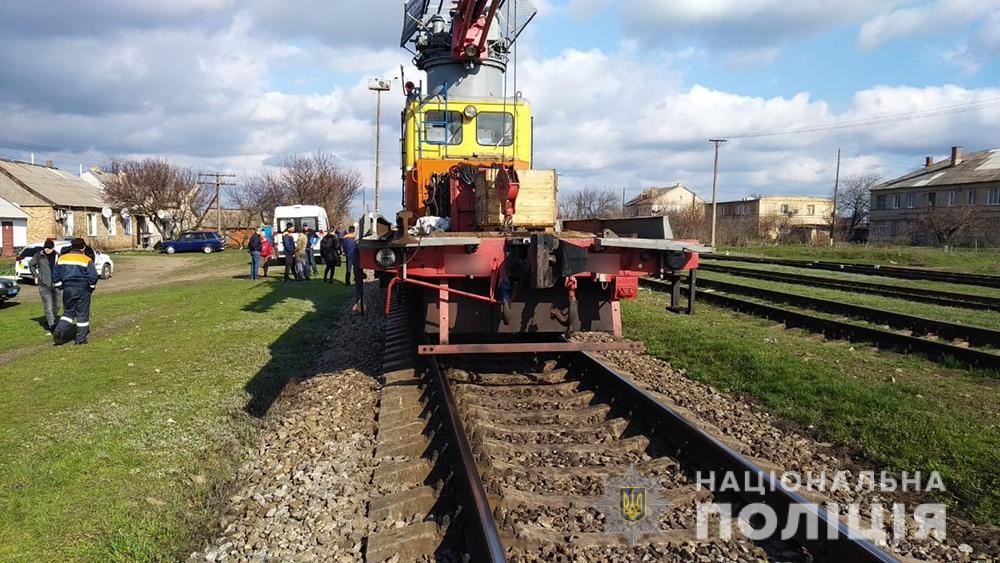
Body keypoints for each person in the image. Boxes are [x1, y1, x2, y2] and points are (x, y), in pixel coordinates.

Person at [52, 238, 98, 345]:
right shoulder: (86, 259)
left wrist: (60, 286)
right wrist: (91, 287)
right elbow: (93, 276)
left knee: (68, 312)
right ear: (83, 247)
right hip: (82, 288)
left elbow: (55, 275)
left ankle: (59, 330)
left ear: (71, 246)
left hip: (68, 288)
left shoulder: (61, 258)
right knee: (82, 314)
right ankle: (80, 339)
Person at [28, 239, 62, 333]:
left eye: (49, 248)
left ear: (53, 248)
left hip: (56, 284)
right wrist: (36, 276)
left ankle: (50, 318)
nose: (47, 249)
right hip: (44, 284)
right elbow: (31, 265)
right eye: (46, 247)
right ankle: (52, 325)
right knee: (48, 306)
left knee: (58, 305)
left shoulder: (58, 256)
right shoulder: (39, 255)